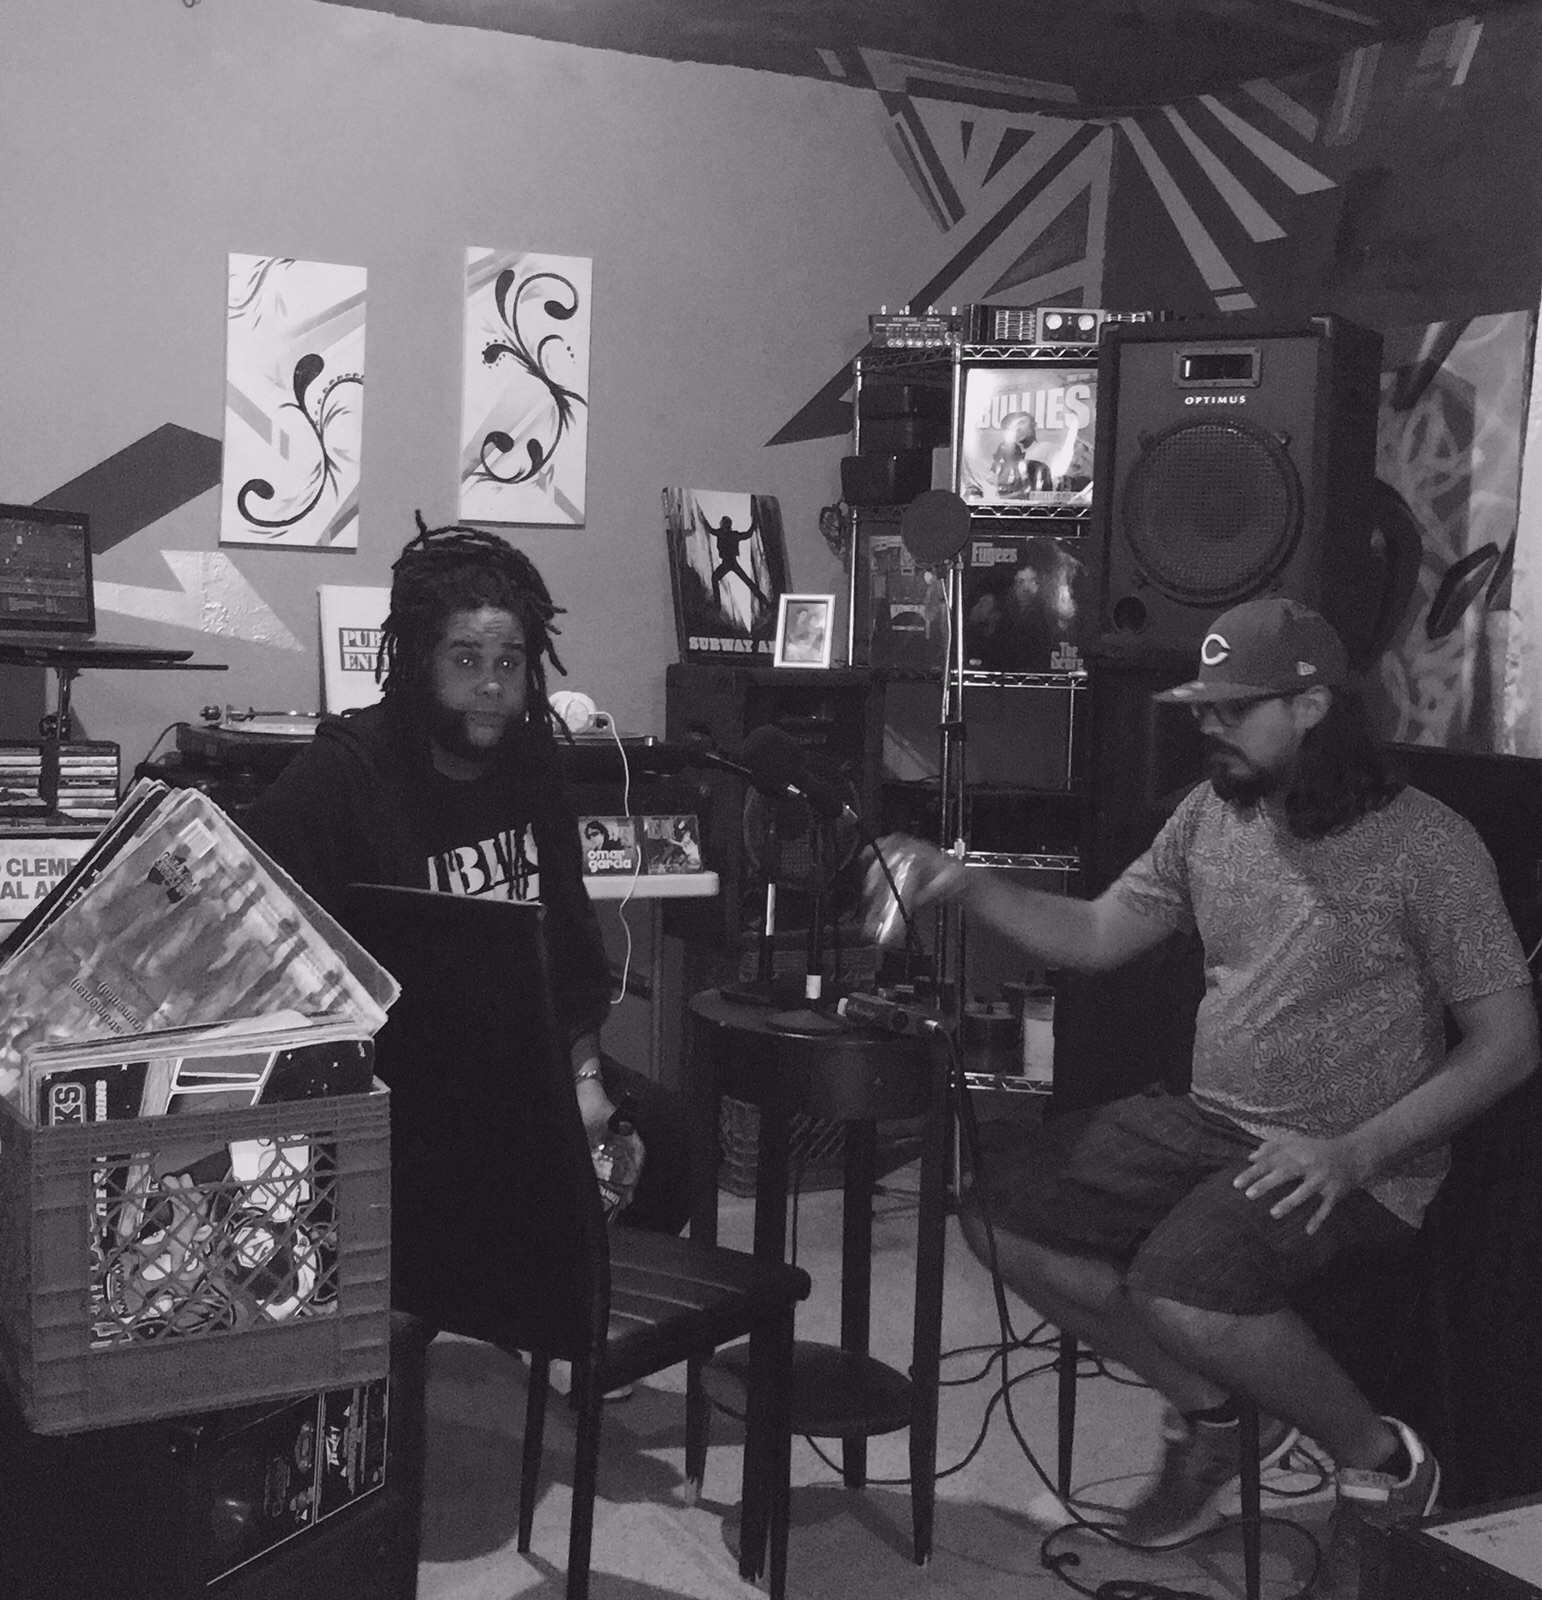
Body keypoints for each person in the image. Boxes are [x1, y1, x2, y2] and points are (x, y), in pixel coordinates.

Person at [878, 597, 1537, 1591]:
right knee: (998, 1214)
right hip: (1208, 1118)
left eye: (1233, 708)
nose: (1207, 725)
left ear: (1311, 706)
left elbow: (1508, 1043)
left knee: (1180, 1285)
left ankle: (1384, 1464)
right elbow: (1099, 934)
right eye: (1203, 707)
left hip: (1356, 1158)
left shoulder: (1429, 845)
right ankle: (1218, 1417)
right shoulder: (1209, 815)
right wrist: (968, 883)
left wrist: (1353, 1153)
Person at [242, 514, 691, 1238]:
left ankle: (573, 1302)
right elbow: (251, 915)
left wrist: (586, 1084)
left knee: (667, 1142)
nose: (490, 685)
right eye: (466, 660)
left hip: (525, 1063)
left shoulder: (531, 766)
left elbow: (572, 954)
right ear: (421, 662)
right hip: (404, 1084)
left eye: (509, 664)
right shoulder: (349, 772)